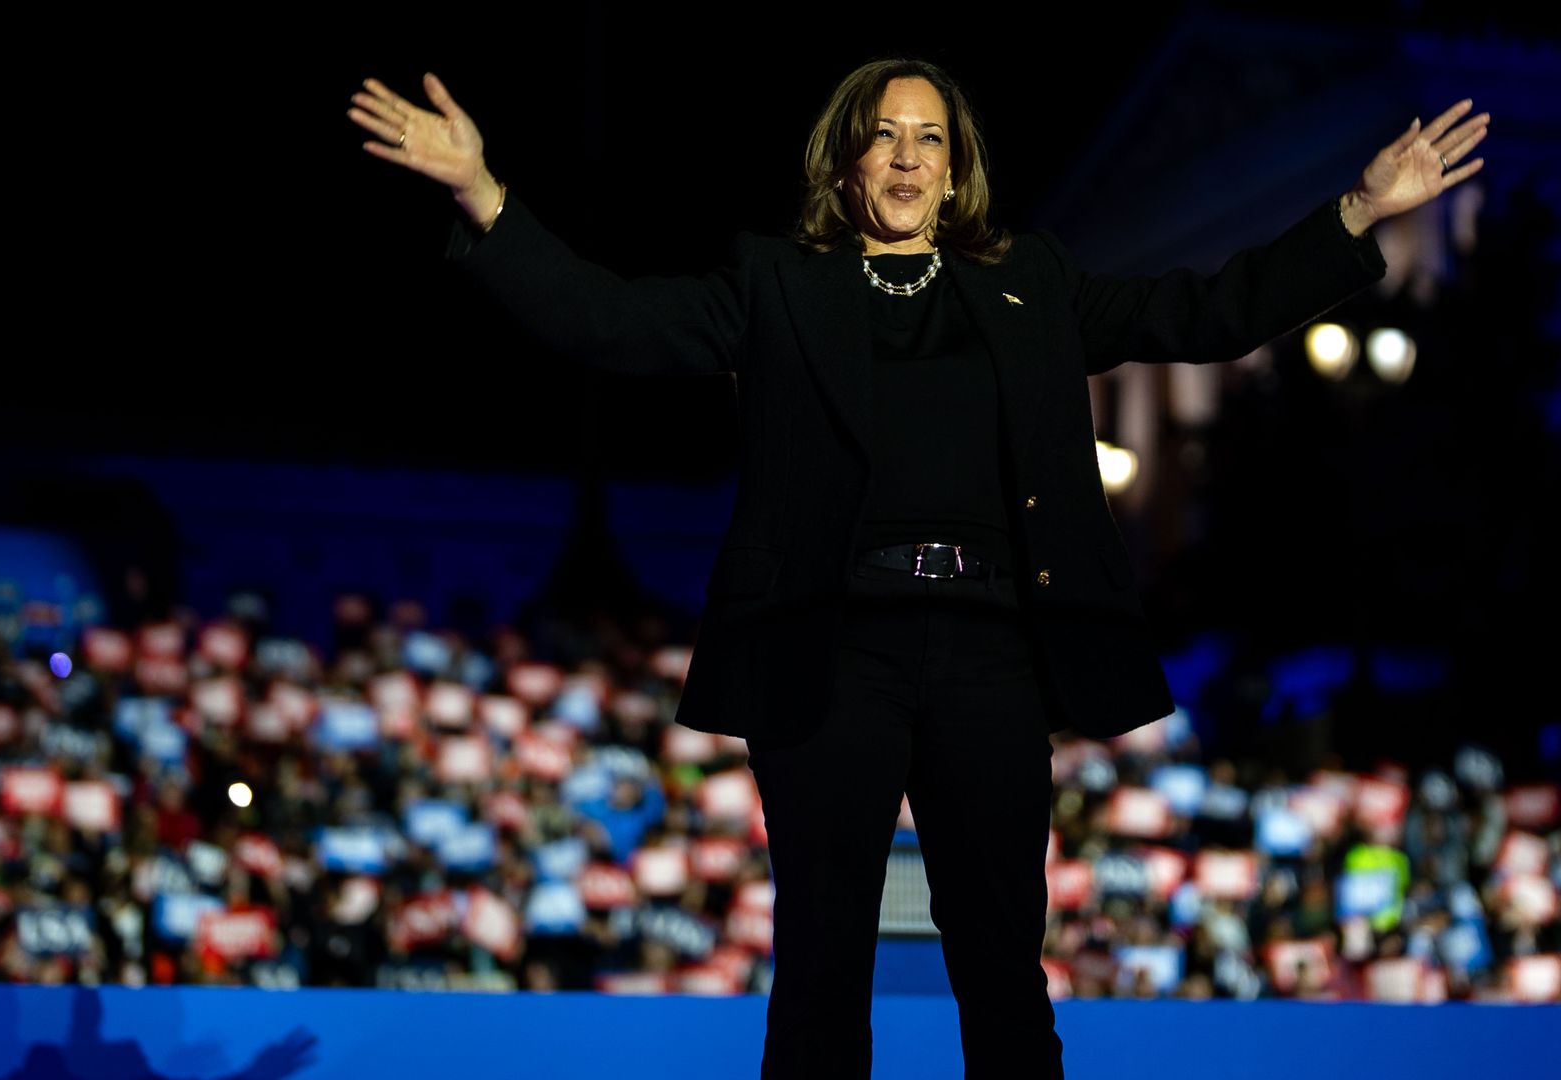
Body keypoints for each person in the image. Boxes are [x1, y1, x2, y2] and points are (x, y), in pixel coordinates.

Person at [347, 56, 1486, 1078]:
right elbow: (611, 321)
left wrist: (1356, 213)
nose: (906, 156)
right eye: (883, 135)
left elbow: (1206, 314)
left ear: (955, 169)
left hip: (993, 652)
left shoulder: (1032, 282)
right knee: (821, 961)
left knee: (1000, 963)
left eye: (929, 137)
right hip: (829, 649)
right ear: (845, 162)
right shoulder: (778, 285)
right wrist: (482, 194)